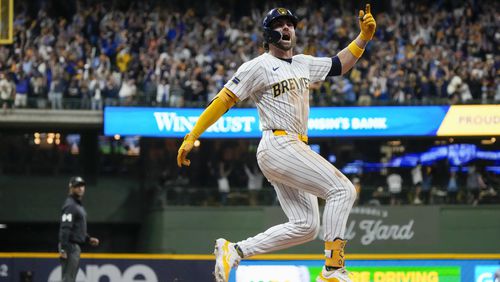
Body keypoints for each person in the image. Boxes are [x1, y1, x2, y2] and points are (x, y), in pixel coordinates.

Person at [177, 5, 376, 282]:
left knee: (307, 226)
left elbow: (338, 64)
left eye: (290, 24)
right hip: (278, 143)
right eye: (280, 23)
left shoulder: (303, 62)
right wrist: (192, 135)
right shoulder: (258, 66)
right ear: (268, 33)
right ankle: (332, 269)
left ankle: (234, 250)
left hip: (293, 147)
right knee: (342, 189)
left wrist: (363, 38)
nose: (286, 28)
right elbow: (223, 100)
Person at [58, 176, 99, 282]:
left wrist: (88, 238)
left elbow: (77, 229)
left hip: (73, 246)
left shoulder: (77, 205)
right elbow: (65, 228)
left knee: (69, 278)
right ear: (71, 188)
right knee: (68, 279)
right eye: (77, 186)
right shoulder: (70, 205)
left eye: (82, 186)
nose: (80, 188)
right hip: (69, 246)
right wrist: (63, 248)